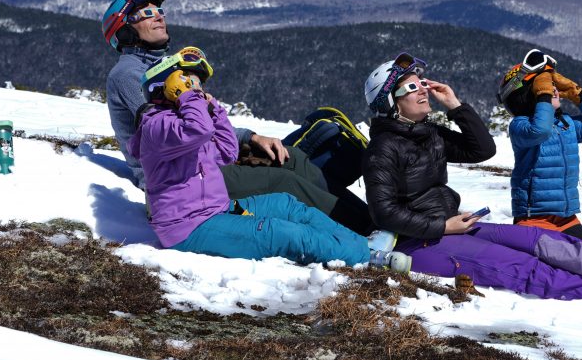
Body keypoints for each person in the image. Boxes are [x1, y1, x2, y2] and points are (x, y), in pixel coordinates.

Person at [361, 52, 582, 306]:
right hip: (420, 242)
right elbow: (383, 211)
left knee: (539, 241)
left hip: (452, 226)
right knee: (522, 267)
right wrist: (442, 227)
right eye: (412, 88)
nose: (424, 91)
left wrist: (455, 106)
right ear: (390, 102)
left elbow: (481, 149)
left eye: (422, 84)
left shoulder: (427, 134)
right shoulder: (383, 148)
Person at [101, 0, 373, 234]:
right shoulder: (127, 75)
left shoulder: (161, 68)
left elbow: (199, 120)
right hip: (180, 178)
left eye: (158, 10)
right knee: (284, 182)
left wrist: (250, 138)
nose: (159, 15)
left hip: (202, 159)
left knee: (291, 159)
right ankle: (366, 231)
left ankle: (369, 218)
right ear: (124, 30)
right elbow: (168, 134)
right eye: (146, 13)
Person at [128, 48, 407, 269]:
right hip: (189, 228)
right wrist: (191, 98)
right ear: (167, 87)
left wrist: (214, 109)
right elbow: (198, 130)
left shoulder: (180, 125)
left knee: (286, 204)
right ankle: (368, 258)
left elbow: (227, 151)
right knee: (280, 232)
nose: (198, 89)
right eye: (189, 81)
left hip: (217, 210)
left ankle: (359, 243)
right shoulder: (157, 127)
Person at [497, 49, 582, 240]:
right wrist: (544, 97)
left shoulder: (565, 124)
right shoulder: (520, 125)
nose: (553, 90)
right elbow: (540, 131)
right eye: (545, 86)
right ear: (529, 95)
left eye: (552, 86)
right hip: (533, 217)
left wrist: (578, 94)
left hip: (567, 218)